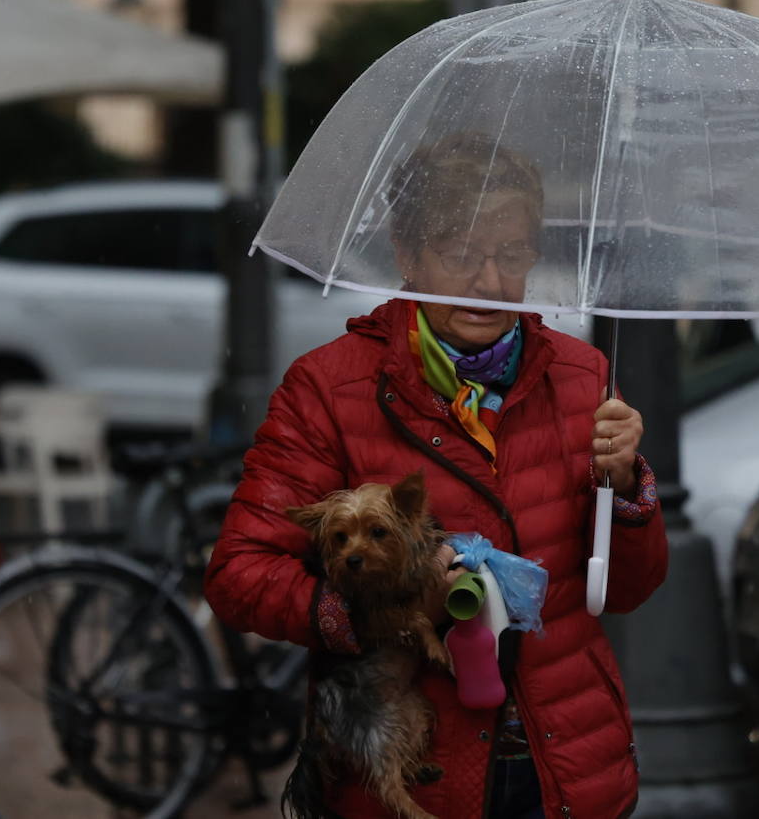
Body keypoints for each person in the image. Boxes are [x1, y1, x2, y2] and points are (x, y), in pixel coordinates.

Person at [204, 133, 668, 819]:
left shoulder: (582, 379)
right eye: (459, 255)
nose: (488, 282)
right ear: (406, 255)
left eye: (511, 256)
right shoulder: (330, 389)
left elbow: (627, 589)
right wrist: (383, 608)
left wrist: (627, 486)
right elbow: (238, 574)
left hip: (565, 767)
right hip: (411, 777)